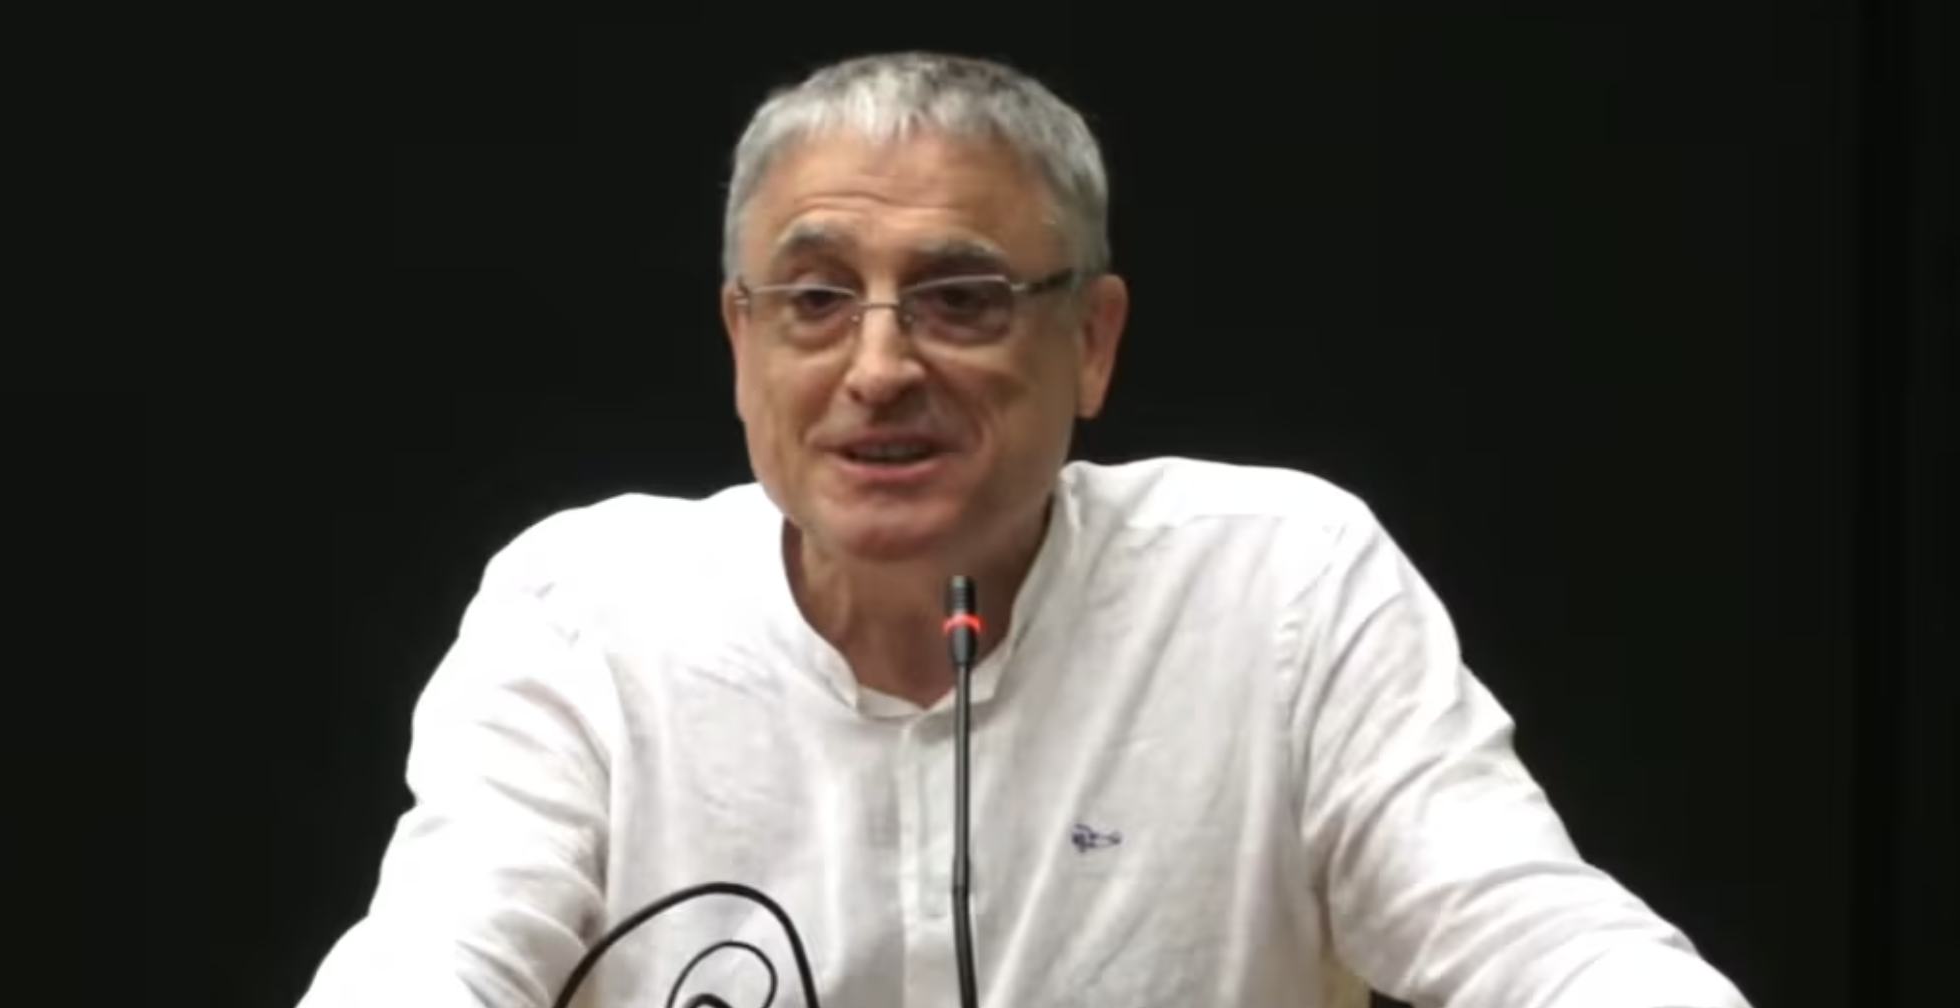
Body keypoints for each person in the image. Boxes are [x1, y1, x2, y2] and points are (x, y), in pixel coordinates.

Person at [298, 51, 1751, 1008]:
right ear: (741, 343)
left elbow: (1535, 936)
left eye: (961, 299)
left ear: (1092, 342)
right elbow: (435, 960)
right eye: (815, 299)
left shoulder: (1281, 585)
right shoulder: (582, 610)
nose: (878, 367)